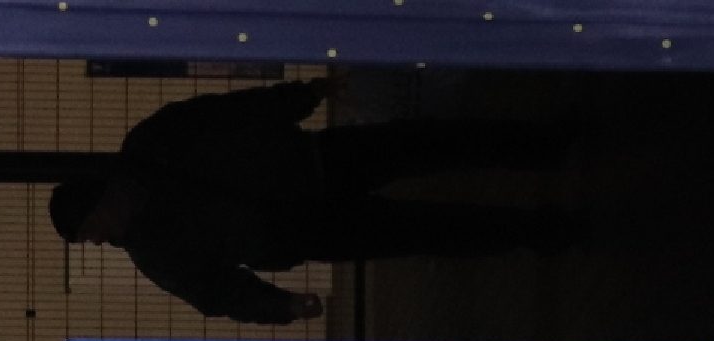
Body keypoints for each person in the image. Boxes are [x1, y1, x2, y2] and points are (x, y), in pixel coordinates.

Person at [49, 83, 567, 327]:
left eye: (87, 228)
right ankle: (539, 199)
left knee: (427, 179)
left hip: (306, 191)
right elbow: (217, 290)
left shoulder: (153, 232)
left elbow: (227, 112)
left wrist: (295, 99)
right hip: (307, 189)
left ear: (98, 203)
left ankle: (540, 192)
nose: (95, 239)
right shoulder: (150, 159)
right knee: (424, 202)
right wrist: (281, 306)